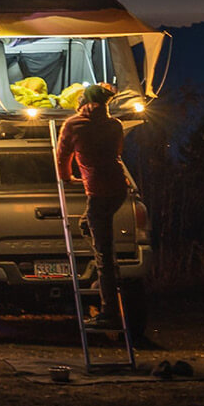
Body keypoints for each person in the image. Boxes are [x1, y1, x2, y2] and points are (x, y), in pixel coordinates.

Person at [55, 83, 128, 329]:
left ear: (83, 101)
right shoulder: (115, 125)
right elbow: (117, 151)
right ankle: (103, 277)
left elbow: (63, 155)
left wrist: (66, 178)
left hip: (98, 190)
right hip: (119, 188)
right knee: (88, 225)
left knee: (104, 252)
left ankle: (110, 311)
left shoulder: (74, 125)